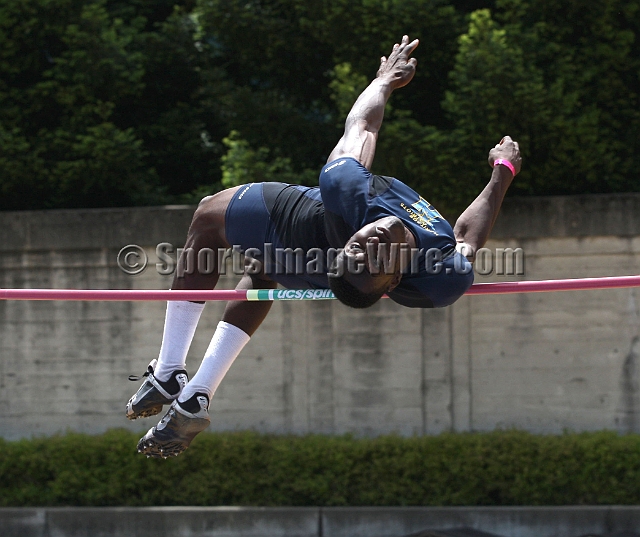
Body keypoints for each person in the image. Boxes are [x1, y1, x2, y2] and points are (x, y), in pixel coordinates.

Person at [128, 35, 521, 458]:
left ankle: (170, 372)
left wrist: (384, 82)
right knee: (265, 274)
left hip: (295, 221)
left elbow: (362, 126)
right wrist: (503, 171)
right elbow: (466, 237)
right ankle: (195, 396)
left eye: (364, 251)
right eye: (366, 250)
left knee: (208, 216)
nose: (371, 239)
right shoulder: (442, 278)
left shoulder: (347, 192)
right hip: (310, 259)